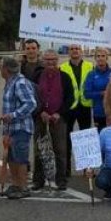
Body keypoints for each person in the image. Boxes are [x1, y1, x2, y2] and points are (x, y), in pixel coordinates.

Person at [32, 49, 73, 192]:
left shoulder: (65, 77)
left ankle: (61, 180)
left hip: (58, 119)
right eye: (47, 60)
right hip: (40, 118)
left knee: (60, 150)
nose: (50, 62)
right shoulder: (37, 76)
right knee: (39, 150)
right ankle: (38, 180)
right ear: (43, 61)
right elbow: (32, 97)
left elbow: (70, 98)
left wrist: (59, 113)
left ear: (57, 60)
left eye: (53, 59)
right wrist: (40, 111)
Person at [0, 57, 38, 199]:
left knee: (20, 158)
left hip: (21, 127)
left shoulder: (20, 83)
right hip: (10, 128)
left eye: (0, 67)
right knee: (12, 157)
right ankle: (15, 185)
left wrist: (14, 115)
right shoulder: (9, 83)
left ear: (6, 69)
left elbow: (31, 103)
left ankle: (23, 187)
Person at [61, 43, 94, 175]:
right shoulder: (62, 67)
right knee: (66, 139)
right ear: (68, 52)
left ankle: (87, 168)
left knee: (85, 139)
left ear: (81, 51)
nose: (75, 51)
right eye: (72, 49)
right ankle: (66, 169)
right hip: (69, 107)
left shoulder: (90, 66)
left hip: (84, 106)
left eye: (77, 49)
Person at [83, 47, 111, 130]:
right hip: (99, 112)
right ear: (95, 58)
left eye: (103, 56)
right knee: (101, 137)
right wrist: (101, 93)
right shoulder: (91, 74)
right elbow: (86, 94)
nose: (100, 58)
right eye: (98, 56)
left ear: (107, 58)